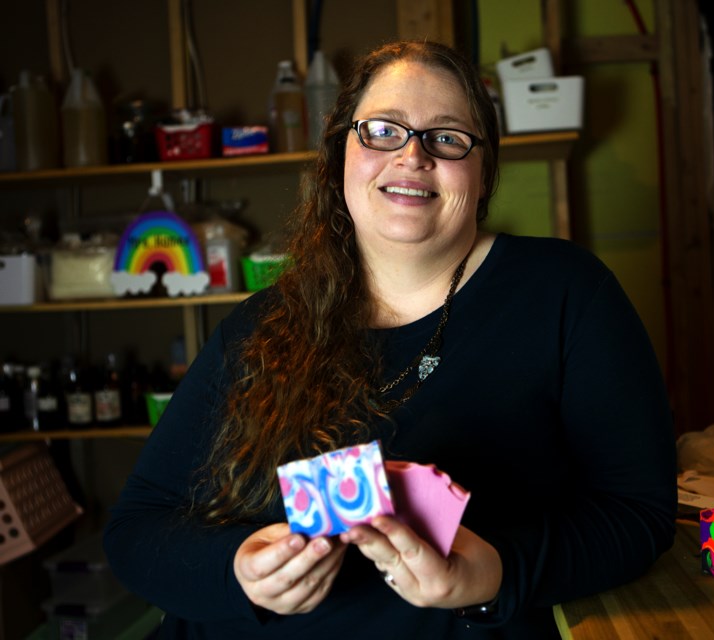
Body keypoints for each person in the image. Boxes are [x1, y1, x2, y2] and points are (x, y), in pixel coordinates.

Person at [104, 40, 677, 639]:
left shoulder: (566, 294)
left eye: (447, 137)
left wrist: (495, 574)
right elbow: (138, 528)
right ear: (338, 158)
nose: (412, 155)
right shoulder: (256, 327)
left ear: (483, 178)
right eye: (381, 130)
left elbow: (638, 515)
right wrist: (237, 573)